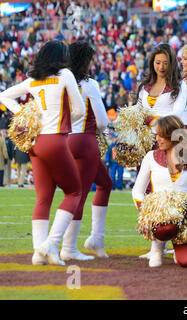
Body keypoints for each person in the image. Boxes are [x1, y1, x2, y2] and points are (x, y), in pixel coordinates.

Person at [0, 40, 85, 265]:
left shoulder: (34, 80)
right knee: (74, 192)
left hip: (35, 142)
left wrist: (28, 117)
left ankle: (39, 252)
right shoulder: (66, 74)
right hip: (56, 140)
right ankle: (51, 244)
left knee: (43, 197)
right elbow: (80, 110)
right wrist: (65, 121)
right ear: (61, 57)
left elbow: (4, 95)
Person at [132, 115, 187, 268]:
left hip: (183, 220)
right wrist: (148, 211)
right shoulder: (150, 157)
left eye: (162, 135)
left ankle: (177, 247)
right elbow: (137, 191)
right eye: (156, 135)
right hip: (159, 221)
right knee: (164, 227)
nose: (158, 139)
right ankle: (157, 249)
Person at [63, 41, 112, 261]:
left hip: (63, 141)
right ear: (85, 61)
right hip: (85, 140)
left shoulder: (61, 81)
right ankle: (68, 247)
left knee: (106, 183)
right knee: (79, 195)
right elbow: (102, 122)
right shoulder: (88, 84)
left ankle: (96, 239)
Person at [134, 43, 182, 129]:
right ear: (152, 63)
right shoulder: (144, 86)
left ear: (172, 64)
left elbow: (177, 114)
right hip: (145, 139)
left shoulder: (179, 85)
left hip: (167, 137)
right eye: (158, 63)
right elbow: (138, 109)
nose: (161, 67)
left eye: (165, 63)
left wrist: (152, 120)